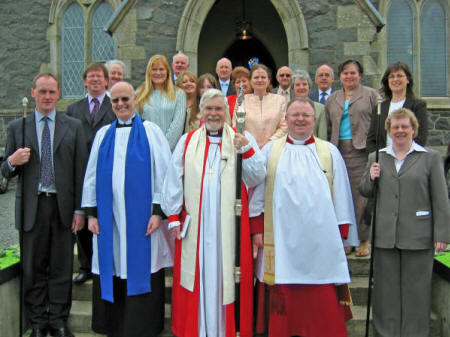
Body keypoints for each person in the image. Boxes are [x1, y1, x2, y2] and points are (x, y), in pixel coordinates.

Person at [162, 89, 266, 337]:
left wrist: (247, 150)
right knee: (196, 278)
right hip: (196, 227)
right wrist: (174, 215)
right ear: (201, 112)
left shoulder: (241, 138)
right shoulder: (188, 142)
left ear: (227, 112)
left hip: (229, 228)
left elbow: (257, 176)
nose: (214, 114)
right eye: (209, 109)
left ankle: (225, 330)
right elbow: (173, 179)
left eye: (219, 109)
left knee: (226, 279)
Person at [250, 97, 357, 337]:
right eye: (295, 115)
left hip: (321, 240)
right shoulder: (270, 150)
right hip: (281, 237)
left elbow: (341, 194)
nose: (300, 119)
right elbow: (257, 192)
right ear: (285, 119)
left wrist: (341, 234)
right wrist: (257, 229)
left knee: (320, 293)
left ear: (314, 119)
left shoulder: (329, 152)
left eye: (305, 115)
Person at [82, 81, 174, 337]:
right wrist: (91, 214)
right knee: (112, 265)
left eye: (125, 99)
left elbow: (164, 174)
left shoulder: (151, 132)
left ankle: (142, 326)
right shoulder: (103, 135)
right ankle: (113, 325)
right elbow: (91, 176)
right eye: (116, 101)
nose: (121, 104)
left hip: (143, 220)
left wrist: (158, 211)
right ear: (111, 103)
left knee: (140, 265)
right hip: (109, 219)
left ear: (135, 99)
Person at [1, 73, 88, 337]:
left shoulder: (72, 126)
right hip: (32, 207)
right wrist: (11, 161)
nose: (47, 97)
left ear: (58, 94)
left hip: (63, 208)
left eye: (52, 92)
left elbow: (80, 171)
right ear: (34, 92)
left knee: (61, 268)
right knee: (33, 268)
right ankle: (38, 322)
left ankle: (59, 321)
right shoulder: (19, 127)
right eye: (42, 92)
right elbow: (5, 171)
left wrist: (80, 210)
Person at [360, 108, 450, 337]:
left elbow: (440, 198)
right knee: (385, 292)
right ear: (389, 130)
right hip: (384, 236)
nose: (400, 131)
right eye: (395, 127)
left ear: (413, 130)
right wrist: (371, 176)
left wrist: (442, 234)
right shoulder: (377, 157)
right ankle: (386, 333)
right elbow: (365, 191)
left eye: (404, 127)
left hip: (418, 235)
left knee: (416, 292)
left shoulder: (430, 158)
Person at [67, 62, 116, 284]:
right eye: (90, 77)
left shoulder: (114, 104)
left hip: (108, 169)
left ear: (106, 81)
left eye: (99, 76)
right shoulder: (73, 109)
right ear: (85, 81)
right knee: (84, 217)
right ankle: (86, 266)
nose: (95, 80)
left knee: (107, 217)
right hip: (80, 169)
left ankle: (108, 262)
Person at [326, 59, 379, 257]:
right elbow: (330, 127)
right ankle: (347, 239)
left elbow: (377, 125)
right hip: (339, 152)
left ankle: (364, 240)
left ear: (360, 75)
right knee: (341, 195)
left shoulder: (371, 95)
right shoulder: (333, 99)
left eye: (353, 73)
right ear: (340, 76)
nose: (349, 76)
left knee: (361, 197)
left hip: (361, 150)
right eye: (345, 73)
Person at [366, 61, 428, 153]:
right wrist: (378, 158)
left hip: (409, 160)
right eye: (392, 76)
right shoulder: (380, 107)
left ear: (407, 80)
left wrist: (403, 157)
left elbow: (421, 137)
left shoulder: (418, 105)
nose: (395, 79)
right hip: (384, 161)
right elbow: (371, 140)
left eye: (399, 76)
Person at [137, 54, 186, 151]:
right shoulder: (139, 93)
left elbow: (177, 125)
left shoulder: (179, 94)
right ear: (149, 72)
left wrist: (163, 148)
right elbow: (137, 123)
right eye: (154, 69)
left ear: (167, 72)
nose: (158, 73)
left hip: (170, 151)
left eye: (161, 69)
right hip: (147, 149)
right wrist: (150, 147)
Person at [233, 63, 287, 149]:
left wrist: (269, 143)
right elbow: (236, 125)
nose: (260, 80)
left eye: (263, 77)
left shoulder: (280, 100)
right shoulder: (242, 100)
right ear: (250, 81)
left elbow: (284, 126)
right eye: (256, 77)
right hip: (249, 149)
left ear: (269, 80)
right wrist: (250, 144)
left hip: (274, 148)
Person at [291, 69, 327, 139]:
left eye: (304, 84)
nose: (301, 87)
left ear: (309, 87)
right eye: (297, 85)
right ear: (293, 88)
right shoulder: (286, 108)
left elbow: (322, 137)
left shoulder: (320, 109)